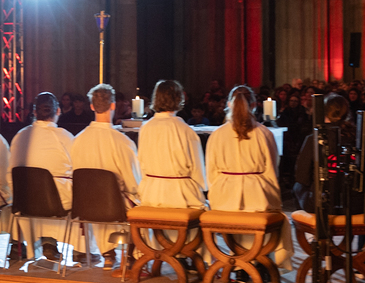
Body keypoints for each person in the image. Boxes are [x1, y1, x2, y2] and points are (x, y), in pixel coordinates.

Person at [206, 86, 291, 271]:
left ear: (229, 104)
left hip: (224, 197)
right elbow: (271, 170)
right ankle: (261, 262)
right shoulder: (264, 133)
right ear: (254, 105)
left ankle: (239, 264)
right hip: (257, 194)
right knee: (270, 211)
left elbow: (211, 172)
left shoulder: (217, 134)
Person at [71, 84, 141, 266]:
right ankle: (132, 255)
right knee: (137, 199)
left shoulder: (77, 140)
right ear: (113, 106)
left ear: (91, 106)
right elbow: (134, 182)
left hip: (85, 205)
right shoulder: (123, 142)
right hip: (114, 206)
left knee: (99, 196)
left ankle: (108, 254)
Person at [9, 92, 75, 260]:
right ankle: (79, 250)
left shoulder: (20, 136)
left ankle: (23, 243)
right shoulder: (64, 137)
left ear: (34, 112)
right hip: (55, 203)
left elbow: (11, 172)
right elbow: (79, 168)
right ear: (58, 111)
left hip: (24, 201)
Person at [136, 80, 207, 210]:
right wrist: (201, 188)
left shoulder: (145, 128)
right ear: (178, 99)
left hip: (151, 194)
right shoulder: (185, 130)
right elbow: (197, 169)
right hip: (181, 195)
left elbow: (141, 163)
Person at [293, 94, 363, 215]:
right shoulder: (357, 137)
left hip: (321, 202)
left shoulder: (314, 138)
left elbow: (301, 176)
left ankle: (309, 222)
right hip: (353, 203)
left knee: (297, 187)